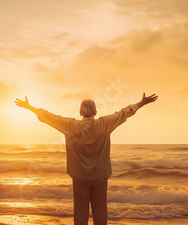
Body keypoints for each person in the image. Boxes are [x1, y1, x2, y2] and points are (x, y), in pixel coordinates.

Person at [14, 93, 158, 225]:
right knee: (100, 213)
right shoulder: (105, 124)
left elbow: (49, 117)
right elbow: (124, 113)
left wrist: (29, 107)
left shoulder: (70, 125)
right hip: (100, 177)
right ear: (95, 112)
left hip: (80, 177)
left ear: (80, 112)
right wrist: (141, 103)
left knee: (80, 214)